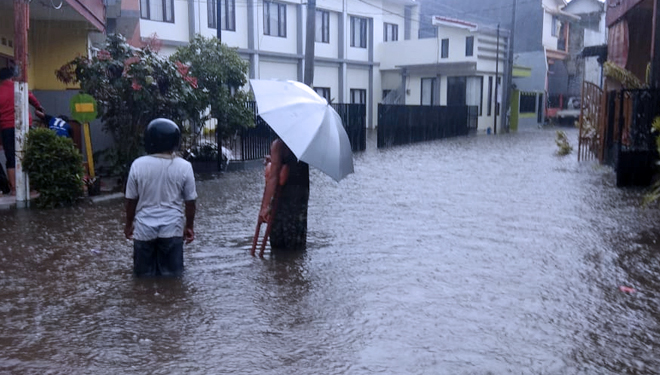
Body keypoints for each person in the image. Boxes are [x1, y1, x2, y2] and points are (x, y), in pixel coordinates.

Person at [124, 118, 197, 277]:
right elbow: (190, 202)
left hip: (143, 230)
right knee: (173, 281)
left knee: (142, 281)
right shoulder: (185, 166)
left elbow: (131, 200)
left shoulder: (138, 164)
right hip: (172, 229)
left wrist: (128, 224)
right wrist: (189, 226)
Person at [258, 138, 309, 251]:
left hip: (283, 198)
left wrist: (265, 207)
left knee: (279, 244)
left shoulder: (279, 144)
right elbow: (291, 165)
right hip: (300, 198)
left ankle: (279, 266)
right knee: (296, 246)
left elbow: (274, 176)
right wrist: (275, 160)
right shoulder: (305, 144)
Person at [0, 67, 44, 195]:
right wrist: (39, 108)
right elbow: (34, 101)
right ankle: (31, 187)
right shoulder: (19, 87)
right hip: (24, 125)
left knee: (11, 157)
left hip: (6, 127)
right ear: (11, 76)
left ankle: (14, 189)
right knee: (28, 155)